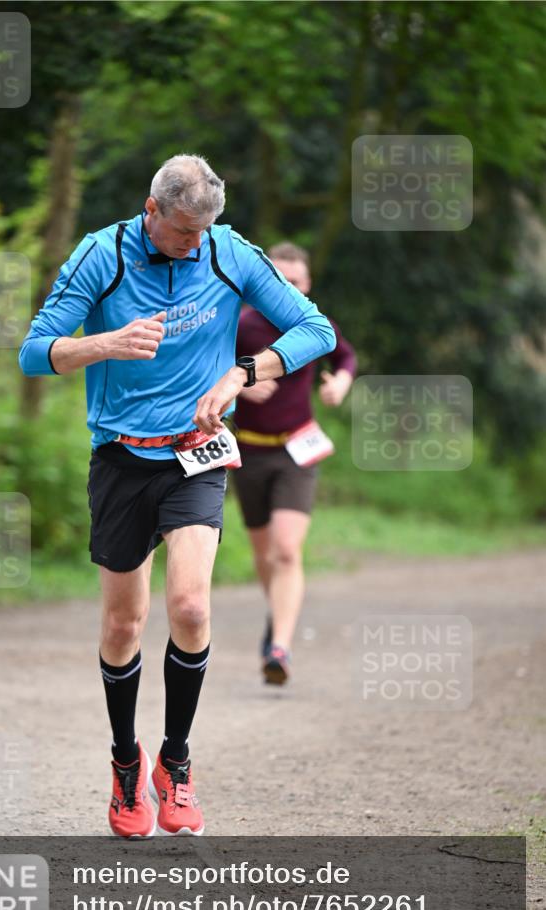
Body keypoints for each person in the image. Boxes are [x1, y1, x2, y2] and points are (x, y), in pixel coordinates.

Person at [19, 156, 336, 838]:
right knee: (123, 626)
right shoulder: (101, 255)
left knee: (190, 607)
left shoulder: (227, 252)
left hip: (195, 457)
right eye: (183, 231)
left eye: (204, 230)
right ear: (152, 209)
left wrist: (242, 372)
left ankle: (176, 762)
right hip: (121, 458)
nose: (194, 244)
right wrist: (101, 344)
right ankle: (125, 764)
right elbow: (34, 350)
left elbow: (317, 332)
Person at [232, 241, 356, 685]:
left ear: (308, 285)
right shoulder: (242, 325)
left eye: (295, 281)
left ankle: (279, 647)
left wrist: (340, 384)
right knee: (264, 554)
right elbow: (208, 368)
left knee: (286, 549)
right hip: (247, 452)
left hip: (297, 451)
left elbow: (345, 356)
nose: (286, 287)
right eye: (277, 279)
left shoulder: (312, 323)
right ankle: (278, 617)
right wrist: (240, 386)